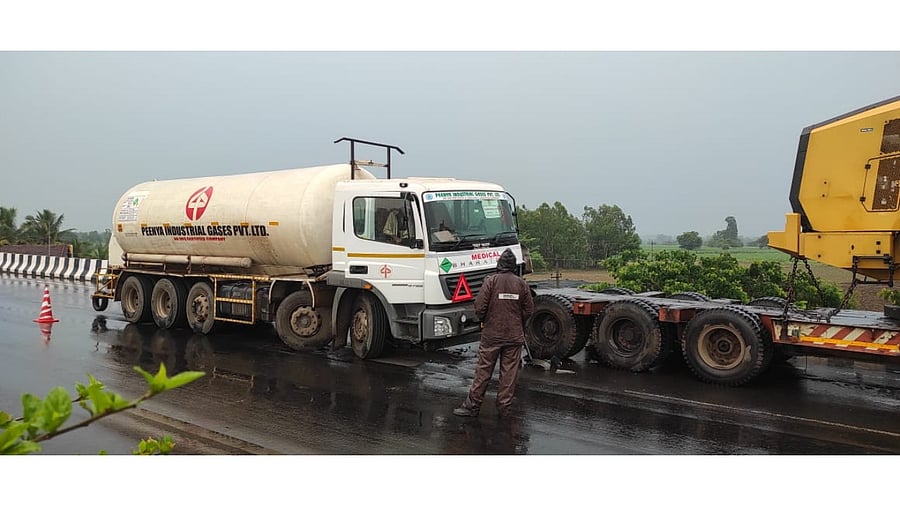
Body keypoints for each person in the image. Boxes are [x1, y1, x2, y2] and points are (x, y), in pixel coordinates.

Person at [453, 248, 534, 418]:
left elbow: (479, 307)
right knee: (509, 374)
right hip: (514, 335)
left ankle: (472, 407)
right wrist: (517, 321)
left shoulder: (491, 281)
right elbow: (529, 309)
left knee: (483, 371)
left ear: (499, 264)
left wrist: (486, 320)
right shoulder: (521, 284)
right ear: (514, 266)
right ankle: (504, 408)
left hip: (492, 334)